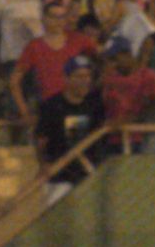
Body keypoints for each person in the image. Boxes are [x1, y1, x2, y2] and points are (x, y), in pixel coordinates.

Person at [33, 55, 105, 199]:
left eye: (88, 76)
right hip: (59, 177)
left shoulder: (95, 105)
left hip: (87, 175)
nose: (85, 81)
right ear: (66, 78)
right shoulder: (51, 106)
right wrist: (43, 164)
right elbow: (41, 139)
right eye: (79, 76)